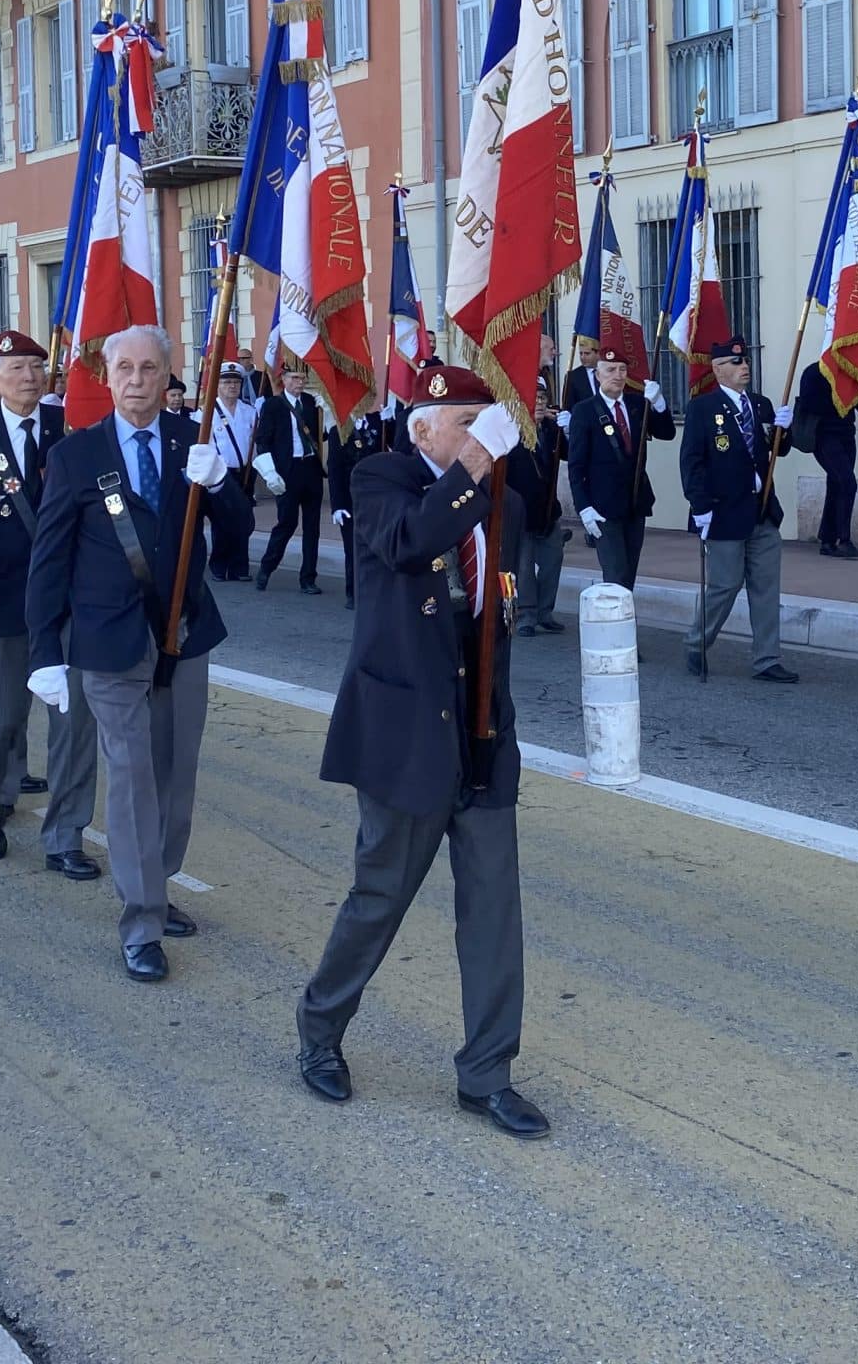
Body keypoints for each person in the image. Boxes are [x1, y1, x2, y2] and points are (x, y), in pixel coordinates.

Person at [295, 361, 546, 1137]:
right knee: (380, 898)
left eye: (485, 423)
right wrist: (474, 466)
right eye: (466, 424)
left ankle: (486, 1073)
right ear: (424, 429)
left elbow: (505, 604)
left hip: (482, 731)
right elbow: (411, 542)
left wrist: (500, 465)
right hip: (407, 732)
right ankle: (320, 1029)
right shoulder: (380, 478)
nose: (481, 439)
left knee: (494, 913)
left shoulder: (502, 495)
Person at [25, 325, 238, 981]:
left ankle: (160, 880)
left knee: (175, 775)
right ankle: (141, 920)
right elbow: (49, 557)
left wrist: (224, 483)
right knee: (133, 777)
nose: (138, 380)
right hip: (109, 640)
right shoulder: (77, 455)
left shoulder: (191, 442)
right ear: (107, 376)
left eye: (150, 369)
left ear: (169, 375)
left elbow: (232, 548)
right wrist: (43, 650)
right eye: (125, 368)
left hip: (186, 634)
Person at [0, 331, 97, 878]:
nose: (28, 377)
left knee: (74, 725)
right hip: (5, 603)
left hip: (69, 605)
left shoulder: (70, 431)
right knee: (0, 719)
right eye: (15, 368)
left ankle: (64, 836)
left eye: (36, 366)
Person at [678, 336, 798, 685]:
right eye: (736, 363)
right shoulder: (703, 408)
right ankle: (697, 643)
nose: (744, 367)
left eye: (745, 361)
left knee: (766, 588)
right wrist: (700, 507)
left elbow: (777, 452)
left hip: (761, 511)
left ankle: (767, 659)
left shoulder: (759, 406)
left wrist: (783, 431)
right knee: (725, 585)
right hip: (723, 511)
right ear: (718, 370)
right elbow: (692, 462)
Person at [563, 347, 671, 590]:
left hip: (635, 501)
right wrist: (584, 508)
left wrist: (659, 404)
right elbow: (576, 465)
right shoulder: (585, 411)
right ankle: (616, 625)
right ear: (598, 376)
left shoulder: (636, 405)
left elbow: (666, 433)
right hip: (603, 506)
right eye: (610, 370)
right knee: (615, 573)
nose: (618, 375)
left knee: (629, 572)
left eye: (622, 370)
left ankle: (623, 623)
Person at [794, 358, 858, 561]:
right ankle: (844, 540)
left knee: (837, 484)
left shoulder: (849, 370)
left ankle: (828, 540)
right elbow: (809, 403)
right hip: (823, 436)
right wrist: (837, 394)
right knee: (848, 483)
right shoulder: (814, 372)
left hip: (846, 435)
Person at [254, 360, 328, 593]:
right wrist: (269, 472)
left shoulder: (310, 403)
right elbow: (263, 440)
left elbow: (319, 437)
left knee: (312, 526)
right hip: (288, 470)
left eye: (303, 379)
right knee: (287, 523)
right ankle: (267, 567)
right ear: (284, 380)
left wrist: (327, 417)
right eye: (295, 378)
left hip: (310, 469)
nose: (300, 382)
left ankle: (308, 578)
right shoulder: (274, 406)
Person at [508, 375, 569, 637]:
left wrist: (567, 431)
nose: (540, 404)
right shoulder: (511, 432)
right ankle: (526, 615)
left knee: (553, 560)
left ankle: (546, 612)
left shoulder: (552, 431)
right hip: (521, 512)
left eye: (543, 398)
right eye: (534, 399)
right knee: (523, 566)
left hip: (548, 510)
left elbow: (568, 453)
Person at [327, 407, 389, 611]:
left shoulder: (378, 423)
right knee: (353, 548)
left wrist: (392, 421)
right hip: (350, 498)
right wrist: (337, 506)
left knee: (376, 546)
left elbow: (394, 447)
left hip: (376, 498)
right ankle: (353, 592)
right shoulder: (340, 430)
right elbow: (334, 469)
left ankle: (374, 590)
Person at [203, 363, 258, 581]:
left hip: (245, 473)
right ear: (217, 385)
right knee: (222, 520)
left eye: (236, 382)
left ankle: (239, 567)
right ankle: (219, 564)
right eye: (227, 382)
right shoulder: (207, 413)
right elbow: (205, 446)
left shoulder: (250, 412)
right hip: (220, 475)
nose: (232, 387)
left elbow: (254, 443)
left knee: (243, 519)